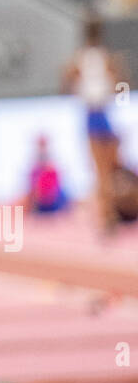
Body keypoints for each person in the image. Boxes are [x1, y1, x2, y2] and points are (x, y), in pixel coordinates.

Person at [62, 17, 125, 234]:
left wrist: (79, 89)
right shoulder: (107, 57)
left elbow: (67, 83)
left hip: (94, 114)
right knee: (110, 169)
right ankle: (109, 213)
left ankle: (109, 214)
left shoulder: (80, 59)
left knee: (102, 171)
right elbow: (121, 84)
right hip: (103, 113)